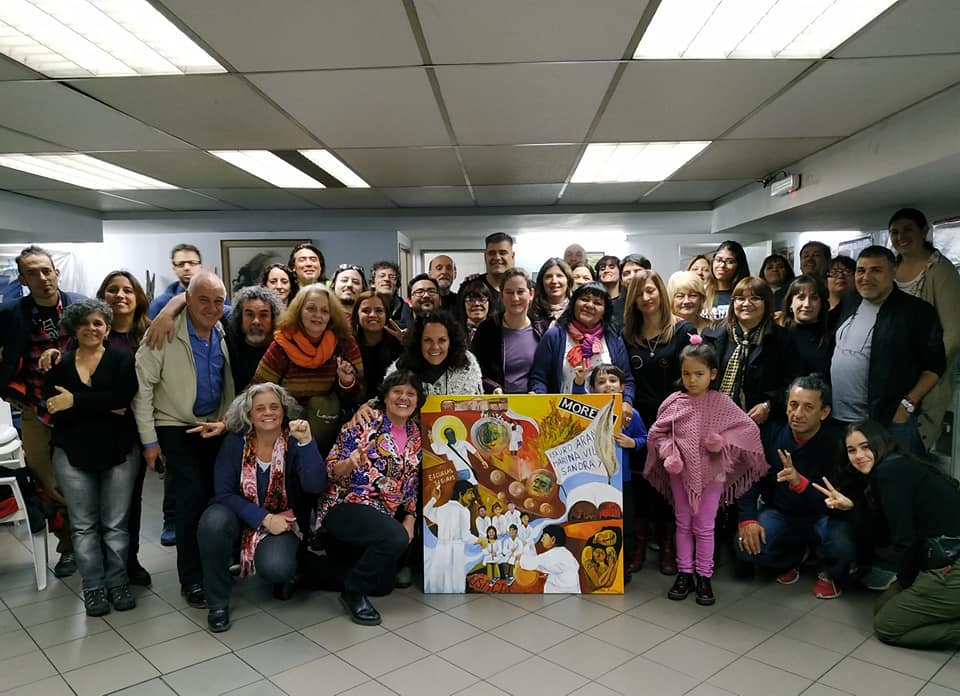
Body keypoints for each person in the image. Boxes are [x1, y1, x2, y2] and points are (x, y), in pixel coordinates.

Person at [42, 270, 155, 586]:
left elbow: (122, 400)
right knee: (85, 522)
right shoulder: (62, 357)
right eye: (112, 289)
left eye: (127, 289)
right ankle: (94, 583)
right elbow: (55, 407)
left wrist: (76, 401)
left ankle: (122, 572)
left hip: (125, 440)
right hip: (76, 447)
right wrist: (103, 404)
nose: (120, 295)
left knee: (121, 514)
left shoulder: (147, 334)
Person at [132, 271, 235, 610]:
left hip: (213, 426)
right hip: (174, 425)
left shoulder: (221, 329)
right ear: (187, 300)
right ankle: (192, 579)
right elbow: (142, 388)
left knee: (215, 499)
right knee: (190, 501)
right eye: (202, 299)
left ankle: (216, 567)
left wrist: (224, 421)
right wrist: (149, 442)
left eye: (218, 300)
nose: (211, 307)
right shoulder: (163, 332)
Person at [816, 421, 960, 648]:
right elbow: (883, 532)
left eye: (866, 447)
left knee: (887, 626)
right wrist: (851, 507)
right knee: (882, 607)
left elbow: (904, 540)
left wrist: (906, 583)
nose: (859, 456)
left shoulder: (890, 472)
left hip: (951, 564)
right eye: (852, 450)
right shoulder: (893, 467)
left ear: (880, 443)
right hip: (940, 558)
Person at [644, 342, 768, 606]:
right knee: (683, 523)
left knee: (704, 526)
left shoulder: (722, 403)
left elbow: (748, 430)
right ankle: (685, 572)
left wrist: (721, 441)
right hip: (680, 473)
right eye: (687, 373)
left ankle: (704, 575)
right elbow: (657, 433)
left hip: (713, 475)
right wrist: (668, 451)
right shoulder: (674, 402)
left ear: (713, 374)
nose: (692, 380)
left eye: (699, 374)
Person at [197, 384, 327, 633]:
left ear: (284, 410)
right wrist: (264, 518)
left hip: (283, 521)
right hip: (239, 515)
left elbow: (315, 485)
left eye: (274, 407)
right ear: (249, 415)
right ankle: (217, 603)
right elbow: (223, 493)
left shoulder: (295, 441)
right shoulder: (235, 443)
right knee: (212, 523)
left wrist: (308, 443)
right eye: (260, 408)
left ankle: (288, 573)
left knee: (278, 567)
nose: (268, 412)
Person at [0, 245, 84, 577]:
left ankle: (90, 540)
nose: (42, 277)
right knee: (46, 475)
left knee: (83, 474)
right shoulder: (10, 313)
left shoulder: (78, 304)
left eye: (46, 270)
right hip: (36, 408)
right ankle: (69, 545)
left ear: (57, 272)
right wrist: (8, 388)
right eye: (32, 272)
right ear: (22, 277)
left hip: (78, 408)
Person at [317, 371, 423, 625]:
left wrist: (410, 517)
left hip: (381, 518)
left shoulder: (417, 436)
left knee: (384, 585)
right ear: (385, 397)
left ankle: (306, 571)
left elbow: (411, 486)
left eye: (411, 394)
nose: (403, 398)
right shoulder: (364, 424)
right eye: (397, 391)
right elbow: (329, 470)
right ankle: (352, 593)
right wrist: (349, 464)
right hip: (345, 507)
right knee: (394, 537)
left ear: (418, 401)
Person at [736, 376, 855, 599]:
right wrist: (748, 518)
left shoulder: (839, 444)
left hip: (824, 515)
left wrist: (801, 484)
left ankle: (831, 572)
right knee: (745, 546)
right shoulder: (771, 434)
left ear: (824, 412)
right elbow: (750, 478)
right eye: (793, 405)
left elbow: (840, 504)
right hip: (783, 513)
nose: (798, 413)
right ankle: (795, 557)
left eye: (808, 407)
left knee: (842, 543)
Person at [831, 246, 945, 455]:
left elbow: (935, 367)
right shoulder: (850, 300)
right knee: (849, 482)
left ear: (893, 272)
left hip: (885, 422)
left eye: (876, 270)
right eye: (861, 270)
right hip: (841, 419)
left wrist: (906, 405)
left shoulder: (916, 311)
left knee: (893, 482)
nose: (866, 277)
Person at [622, 270, 697, 575]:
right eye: (639, 293)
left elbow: (694, 378)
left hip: (675, 420)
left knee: (670, 483)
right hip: (638, 422)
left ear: (661, 293)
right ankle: (639, 545)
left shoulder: (682, 331)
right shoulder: (627, 334)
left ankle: (668, 546)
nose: (646, 298)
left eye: (651, 291)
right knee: (642, 483)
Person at [251, 284, 364, 452]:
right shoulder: (283, 344)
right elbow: (258, 388)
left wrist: (347, 382)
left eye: (325, 311)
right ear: (298, 311)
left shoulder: (344, 342)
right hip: (286, 430)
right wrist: (227, 421)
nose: (318, 315)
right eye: (311, 308)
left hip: (331, 432)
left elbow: (359, 394)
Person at [888, 207, 960, 451]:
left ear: (924, 231)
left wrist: (924, 372)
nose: (901, 236)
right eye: (895, 232)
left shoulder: (940, 271)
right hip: (888, 378)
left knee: (907, 456)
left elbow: (953, 334)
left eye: (908, 229)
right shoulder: (891, 268)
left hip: (923, 382)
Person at [573, 363, 647, 581]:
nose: (607, 385)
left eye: (613, 381)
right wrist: (579, 382)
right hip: (593, 480)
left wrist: (632, 442)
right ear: (593, 389)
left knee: (626, 524)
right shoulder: (590, 407)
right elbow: (576, 401)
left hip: (622, 481)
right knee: (596, 524)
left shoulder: (630, 414)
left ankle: (623, 568)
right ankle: (593, 566)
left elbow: (645, 438)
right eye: (601, 382)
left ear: (622, 386)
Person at [529, 282, 635, 422]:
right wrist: (540, 398)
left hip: (604, 418)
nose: (589, 305)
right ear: (574, 304)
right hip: (562, 418)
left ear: (605, 311)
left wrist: (626, 401)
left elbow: (627, 379)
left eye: (597, 303)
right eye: (584, 299)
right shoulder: (554, 336)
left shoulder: (613, 338)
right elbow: (539, 378)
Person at [705, 276, 786, 424]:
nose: (746, 304)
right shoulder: (712, 333)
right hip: (714, 419)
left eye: (755, 298)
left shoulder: (781, 338)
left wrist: (769, 406)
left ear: (766, 303)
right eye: (740, 298)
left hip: (761, 422)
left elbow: (792, 381)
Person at [471, 268, 548, 394]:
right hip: (497, 405)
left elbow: (546, 372)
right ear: (501, 296)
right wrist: (493, 387)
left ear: (531, 294)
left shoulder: (542, 329)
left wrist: (537, 392)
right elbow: (474, 370)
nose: (515, 298)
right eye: (509, 292)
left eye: (521, 292)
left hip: (534, 404)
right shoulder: (486, 329)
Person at [387, 312, 482, 397]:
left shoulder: (468, 365)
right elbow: (385, 402)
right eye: (428, 340)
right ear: (418, 342)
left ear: (451, 342)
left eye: (442, 340)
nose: (435, 347)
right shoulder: (402, 367)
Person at [423, 479, 481, 593]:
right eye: (470, 492)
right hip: (456, 550)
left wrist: (435, 498)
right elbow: (465, 536)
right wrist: (480, 541)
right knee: (454, 582)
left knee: (440, 580)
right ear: (461, 494)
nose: (473, 496)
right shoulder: (464, 511)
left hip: (441, 549)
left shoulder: (443, 508)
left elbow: (426, 511)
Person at [224, 285, 284, 391]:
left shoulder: (281, 349)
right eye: (249, 314)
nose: (256, 321)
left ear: (273, 318)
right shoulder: (228, 340)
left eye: (263, 315)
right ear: (240, 317)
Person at [779, 274, 832, 383]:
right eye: (801, 297)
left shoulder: (831, 338)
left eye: (814, 298)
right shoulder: (778, 336)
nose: (807, 304)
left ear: (821, 304)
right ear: (790, 303)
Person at [352, 290, 403, 402]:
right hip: (356, 406)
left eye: (379, 310)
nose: (373, 315)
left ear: (387, 315)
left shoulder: (398, 342)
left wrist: (408, 344)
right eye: (366, 311)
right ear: (357, 315)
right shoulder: (349, 345)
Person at [519, 524, 581, 593]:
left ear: (553, 539)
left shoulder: (555, 554)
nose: (542, 540)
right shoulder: (566, 553)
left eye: (544, 536)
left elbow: (533, 563)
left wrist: (520, 558)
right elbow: (557, 568)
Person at [148, 243, 202, 319]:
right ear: (174, 268)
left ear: (200, 266)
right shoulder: (159, 304)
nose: (186, 268)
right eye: (180, 264)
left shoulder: (217, 298)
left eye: (192, 263)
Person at [704, 241, 750, 321]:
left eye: (730, 262)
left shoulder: (746, 294)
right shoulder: (702, 292)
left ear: (739, 266)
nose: (722, 265)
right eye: (718, 260)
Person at [480, 232, 515, 315]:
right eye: (492, 253)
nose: (497, 258)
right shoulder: (470, 288)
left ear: (512, 257)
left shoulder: (526, 288)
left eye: (502, 253)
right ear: (485, 257)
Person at [532, 257, 573, 323]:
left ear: (568, 280)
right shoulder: (532, 311)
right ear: (541, 281)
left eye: (559, 276)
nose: (554, 281)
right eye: (548, 276)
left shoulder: (576, 309)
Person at [370, 260, 406, 328]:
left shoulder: (407, 310)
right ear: (372, 283)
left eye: (392, 277)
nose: (387, 279)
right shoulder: (363, 306)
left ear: (397, 285)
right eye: (382, 276)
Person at [458, 279, 492, 344]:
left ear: (489, 303)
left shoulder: (499, 330)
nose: (476, 304)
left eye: (482, 299)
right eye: (470, 299)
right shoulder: (454, 332)